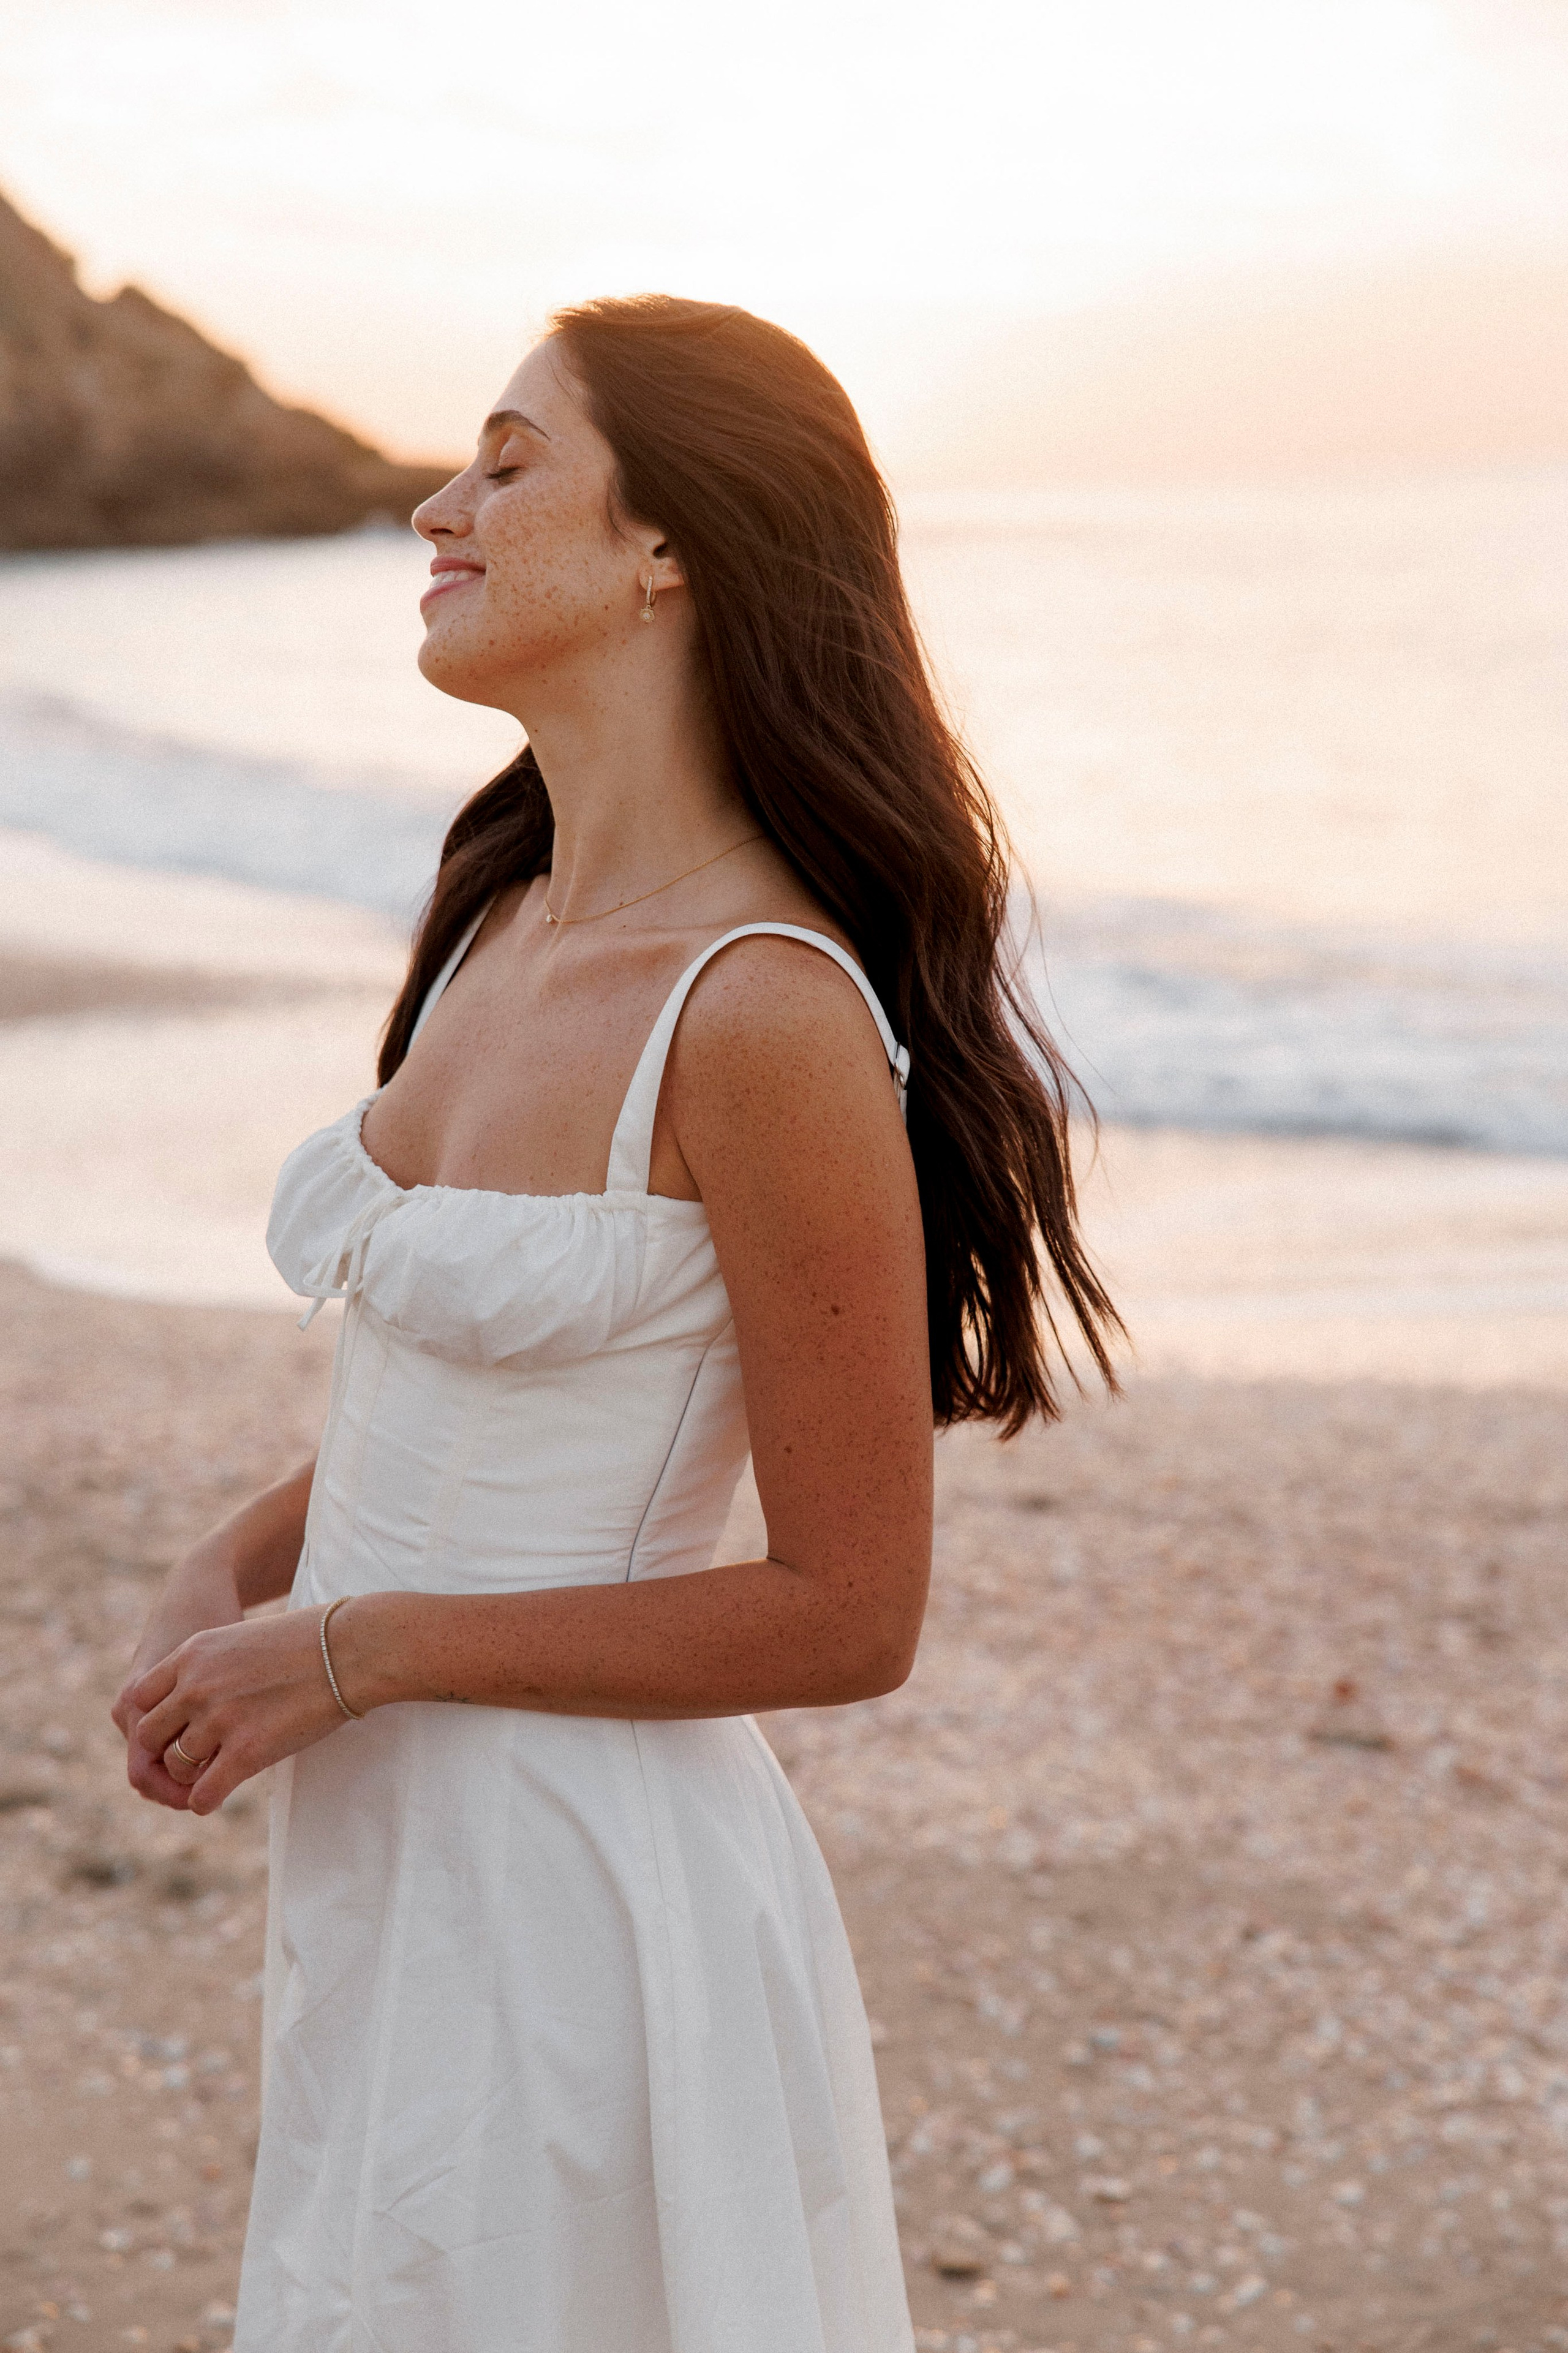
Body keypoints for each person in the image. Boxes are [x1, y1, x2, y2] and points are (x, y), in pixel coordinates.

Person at [111, 296, 1121, 2353]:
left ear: (671, 546)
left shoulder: (762, 1009)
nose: (435, 501)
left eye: (505, 459)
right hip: (381, 1856)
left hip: (585, 1899)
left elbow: (850, 1609)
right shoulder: (497, 913)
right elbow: (476, 1388)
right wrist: (230, 1564)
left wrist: (355, 1645)